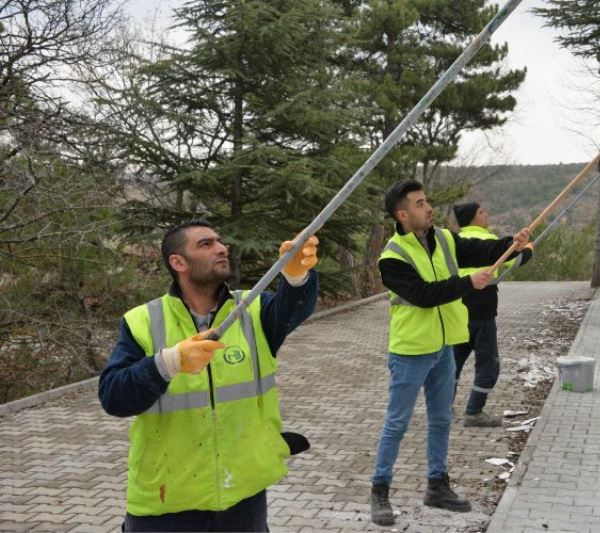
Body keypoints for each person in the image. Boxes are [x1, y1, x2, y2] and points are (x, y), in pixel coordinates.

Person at [98, 219, 319, 532]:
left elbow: (294, 308)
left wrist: (296, 277)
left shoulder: (251, 310)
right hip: (167, 503)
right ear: (179, 262)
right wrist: (169, 362)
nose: (221, 248)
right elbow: (113, 397)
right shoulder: (144, 321)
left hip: (243, 498)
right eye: (206, 244)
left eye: (220, 241)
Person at [370, 180, 530, 526]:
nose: (428, 208)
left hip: (444, 347)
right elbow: (424, 294)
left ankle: (437, 486)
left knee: (441, 418)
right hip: (411, 352)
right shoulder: (392, 257)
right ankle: (380, 491)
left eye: (426, 201)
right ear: (402, 214)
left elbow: (478, 251)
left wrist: (512, 245)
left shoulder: (443, 238)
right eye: (419, 203)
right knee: (397, 424)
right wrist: (467, 284)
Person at [451, 202, 533, 427]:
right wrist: (528, 249)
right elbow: (515, 259)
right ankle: (474, 412)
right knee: (488, 365)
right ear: (472, 218)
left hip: (457, 312)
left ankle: (443, 408)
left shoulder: (453, 242)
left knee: (453, 362)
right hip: (482, 313)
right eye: (481, 212)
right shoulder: (487, 241)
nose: (486, 214)